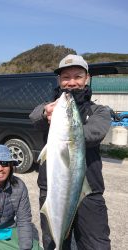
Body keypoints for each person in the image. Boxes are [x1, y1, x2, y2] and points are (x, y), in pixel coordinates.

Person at [29, 54, 111, 250]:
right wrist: (45, 112)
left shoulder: (99, 110)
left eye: (77, 77)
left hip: (89, 191)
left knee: (96, 244)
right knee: (52, 242)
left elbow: (94, 133)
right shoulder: (53, 107)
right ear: (59, 80)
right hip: (52, 189)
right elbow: (34, 116)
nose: (71, 82)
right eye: (66, 77)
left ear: (87, 79)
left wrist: (66, 127)